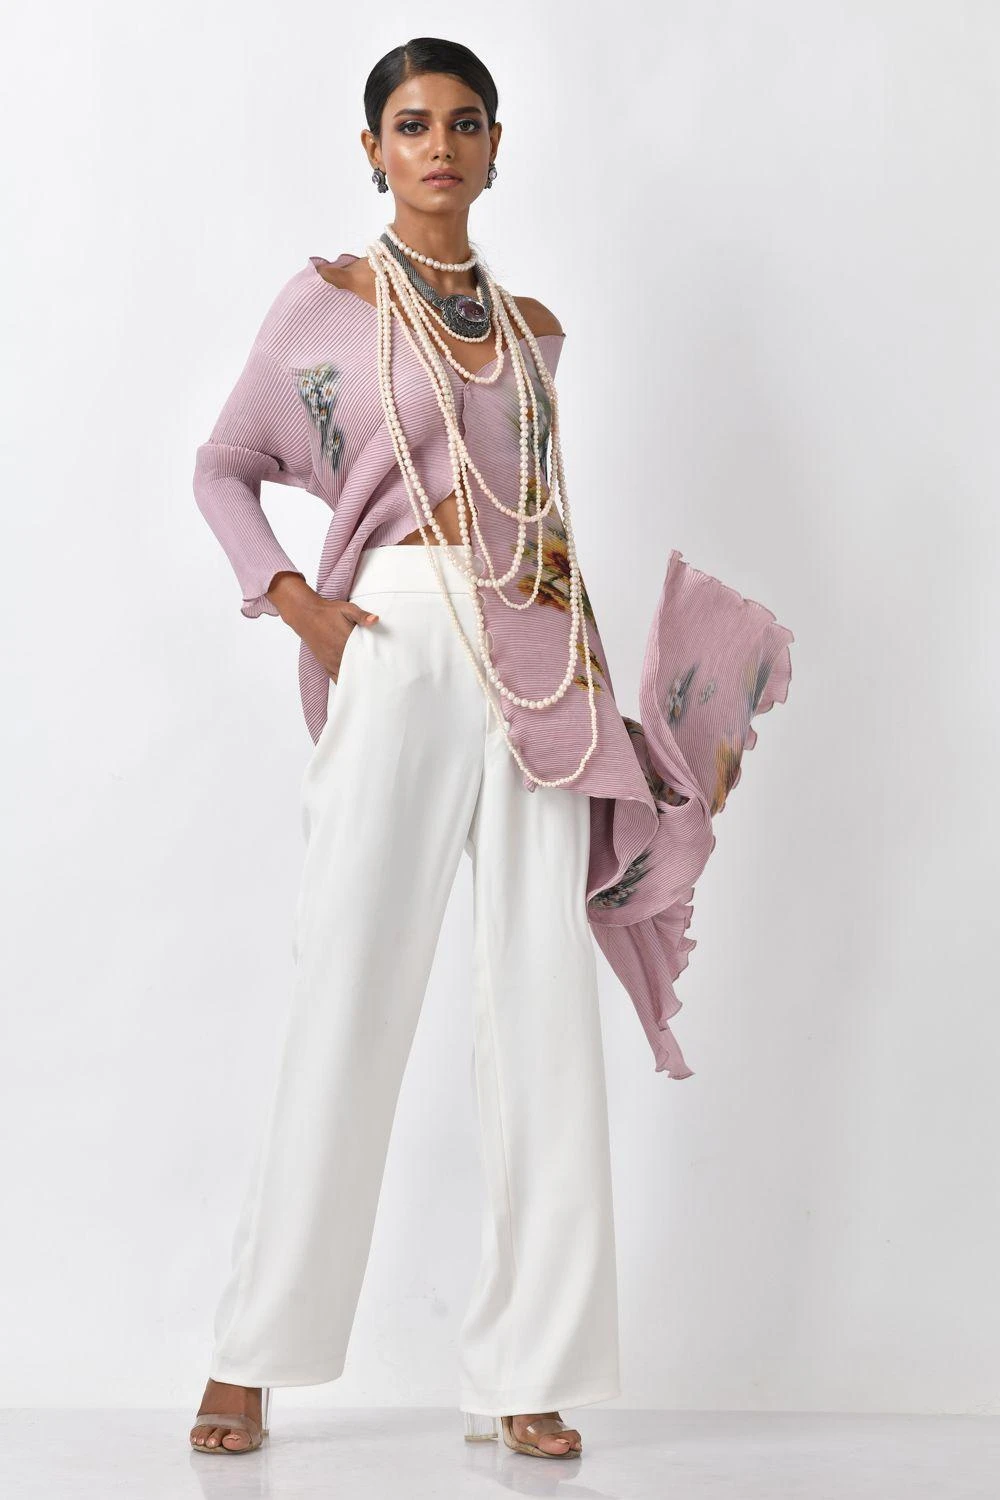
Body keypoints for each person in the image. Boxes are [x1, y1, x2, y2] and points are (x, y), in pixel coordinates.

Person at [187, 35, 794, 1461]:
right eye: (412, 125)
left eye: (464, 123)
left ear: (496, 145)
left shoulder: (532, 331)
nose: (440, 146)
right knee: (348, 982)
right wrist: (297, 604)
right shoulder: (327, 304)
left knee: (538, 1007)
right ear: (373, 151)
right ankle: (250, 1353)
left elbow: (546, 518)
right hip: (398, 636)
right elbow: (221, 467)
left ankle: (529, 1364)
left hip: (540, 652)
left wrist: (603, 695)